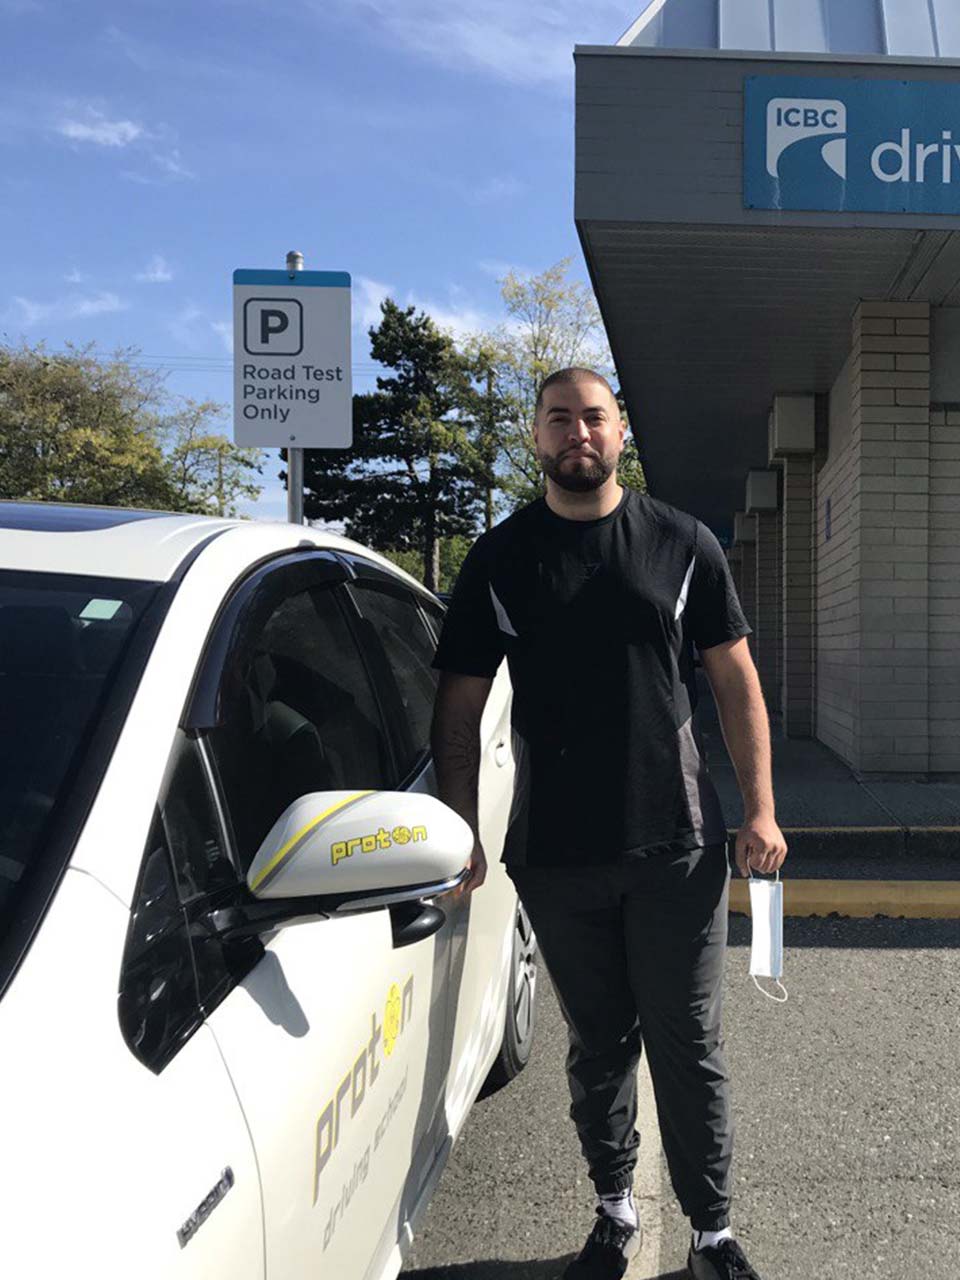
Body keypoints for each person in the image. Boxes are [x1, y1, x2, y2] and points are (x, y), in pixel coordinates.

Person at [430, 367, 788, 1280]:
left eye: (593, 417)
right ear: (537, 437)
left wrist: (760, 810)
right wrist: (460, 828)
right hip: (555, 856)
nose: (577, 433)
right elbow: (458, 708)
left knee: (688, 1046)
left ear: (620, 432)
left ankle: (711, 1229)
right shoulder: (500, 559)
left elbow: (735, 681)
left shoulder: (682, 544)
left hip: (676, 848)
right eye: (560, 420)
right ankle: (616, 1208)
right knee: (597, 1048)